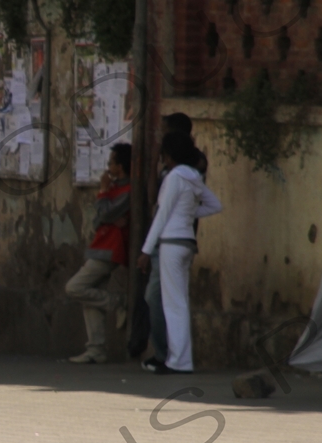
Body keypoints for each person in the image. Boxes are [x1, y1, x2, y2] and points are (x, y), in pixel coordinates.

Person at [136, 132, 222, 374]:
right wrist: (186, 214)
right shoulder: (194, 176)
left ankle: (178, 361)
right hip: (187, 242)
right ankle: (181, 359)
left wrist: (145, 250)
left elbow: (161, 215)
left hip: (171, 244)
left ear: (169, 155)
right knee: (180, 303)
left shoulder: (174, 177)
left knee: (172, 304)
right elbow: (216, 205)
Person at [66, 143, 132, 364]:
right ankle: (96, 349)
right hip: (100, 244)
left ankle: (117, 302)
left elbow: (104, 212)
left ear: (120, 166)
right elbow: (98, 218)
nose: (108, 167)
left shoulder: (126, 190)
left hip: (110, 249)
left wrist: (103, 194)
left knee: (75, 287)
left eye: (111, 162)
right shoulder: (114, 187)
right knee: (90, 299)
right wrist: (108, 212)